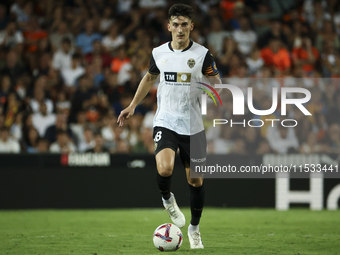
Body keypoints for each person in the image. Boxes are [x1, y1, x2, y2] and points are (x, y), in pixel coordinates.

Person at [117, 4, 221, 249]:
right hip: (166, 120)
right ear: (169, 27)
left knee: (195, 181)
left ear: (191, 27)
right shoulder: (159, 53)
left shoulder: (203, 54)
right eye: (176, 24)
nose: (180, 29)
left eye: (184, 24)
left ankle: (194, 228)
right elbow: (150, 77)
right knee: (164, 169)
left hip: (193, 125)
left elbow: (216, 82)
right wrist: (132, 105)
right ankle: (167, 199)